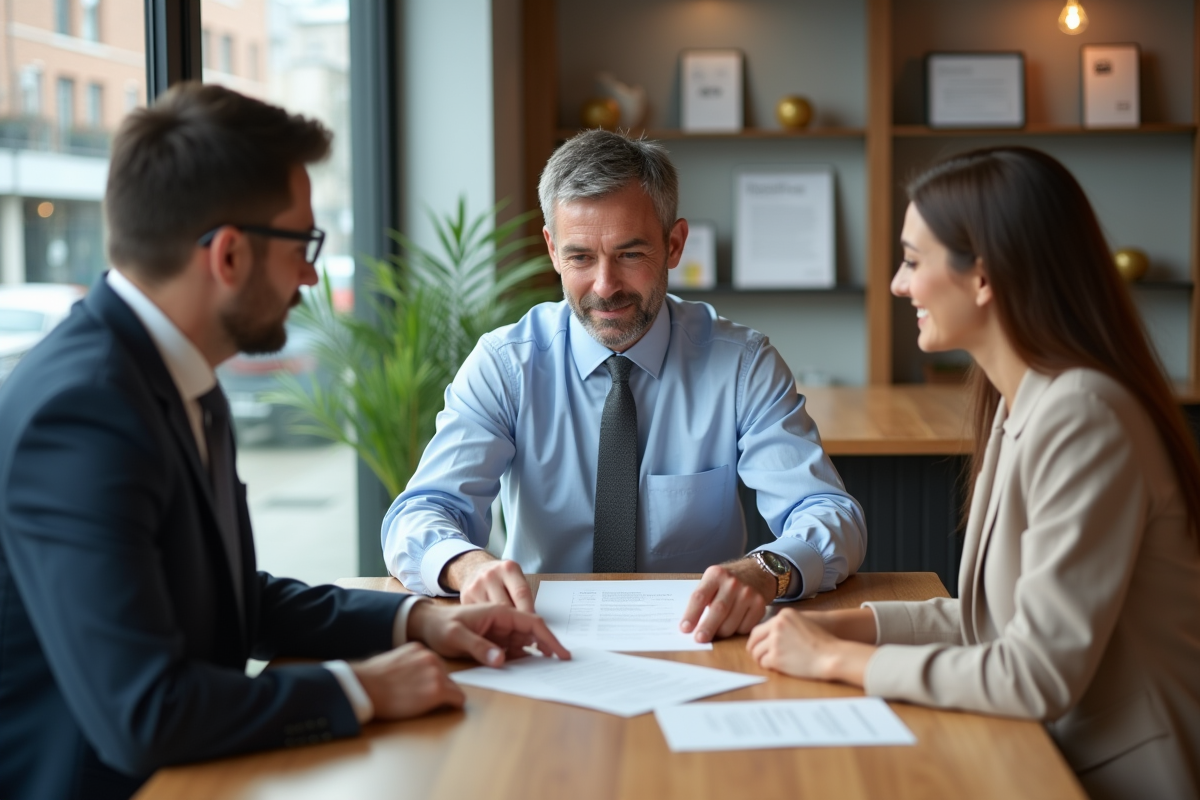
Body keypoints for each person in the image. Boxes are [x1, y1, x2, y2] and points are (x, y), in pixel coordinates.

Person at [0, 82, 568, 800]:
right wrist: (359, 691)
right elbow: (142, 713)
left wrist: (422, 618)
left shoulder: (173, 378)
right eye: (303, 243)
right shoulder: (81, 413)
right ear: (229, 255)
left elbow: (233, 602)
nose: (310, 274)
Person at [748, 146, 1200, 800]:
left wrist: (835, 660)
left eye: (911, 260)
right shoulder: (1023, 401)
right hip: (1042, 752)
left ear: (983, 276)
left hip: (1113, 775)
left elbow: (1035, 674)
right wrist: (853, 625)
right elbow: (994, 625)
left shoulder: (1084, 416)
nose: (900, 284)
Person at [383, 129, 867, 643]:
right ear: (552, 250)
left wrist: (767, 570)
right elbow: (420, 513)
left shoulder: (742, 364)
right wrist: (467, 566)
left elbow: (830, 514)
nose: (605, 286)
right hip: (540, 642)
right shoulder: (506, 365)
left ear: (674, 244)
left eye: (630, 255)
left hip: (701, 642)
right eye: (580, 258)